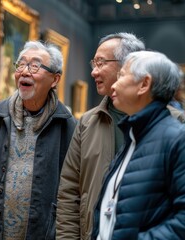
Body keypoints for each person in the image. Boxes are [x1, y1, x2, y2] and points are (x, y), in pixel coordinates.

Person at [91, 51, 185, 239]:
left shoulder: (181, 139)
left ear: (144, 84)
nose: (114, 85)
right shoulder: (133, 135)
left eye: (122, 76)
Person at [0, 40, 77, 239]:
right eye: (21, 64)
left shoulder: (69, 127)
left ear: (55, 79)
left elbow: (74, 192)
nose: (25, 72)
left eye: (35, 66)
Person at [56, 32, 145, 240]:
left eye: (101, 63)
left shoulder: (171, 121)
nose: (94, 72)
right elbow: (69, 192)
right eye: (93, 63)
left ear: (128, 65)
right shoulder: (88, 122)